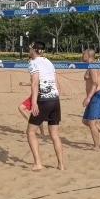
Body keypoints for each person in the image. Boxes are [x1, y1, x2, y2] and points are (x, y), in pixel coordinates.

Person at [26, 41, 65, 171]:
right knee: (55, 135)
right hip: (55, 99)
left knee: (30, 132)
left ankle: (38, 163)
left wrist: (34, 102)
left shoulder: (33, 63)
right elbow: (56, 82)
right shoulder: (49, 62)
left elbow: (35, 83)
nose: (29, 50)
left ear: (34, 50)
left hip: (43, 100)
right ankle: (61, 165)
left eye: (30, 48)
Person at [81, 49, 100, 149]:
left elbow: (95, 83)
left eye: (84, 54)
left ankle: (96, 146)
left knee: (91, 122)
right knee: (85, 121)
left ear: (89, 56)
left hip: (97, 95)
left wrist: (88, 98)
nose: (82, 55)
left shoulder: (93, 66)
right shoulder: (93, 65)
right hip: (95, 95)